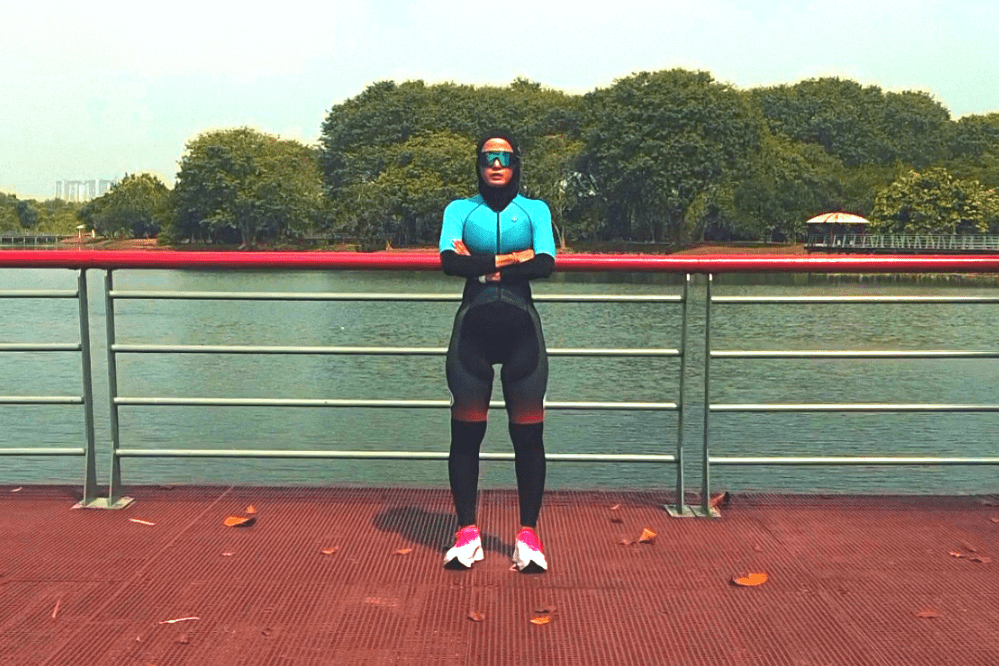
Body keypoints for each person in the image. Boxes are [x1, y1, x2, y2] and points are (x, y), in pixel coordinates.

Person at [438, 131, 556, 572]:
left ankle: (528, 537)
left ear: (516, 164)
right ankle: (467, 533)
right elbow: (450, 263)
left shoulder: (536, 210)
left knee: (528, 439)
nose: (496, 164)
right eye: (488, 156)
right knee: (466, 437)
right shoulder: (459, 210)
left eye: (504, 157)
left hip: (523, 335)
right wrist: (511, 259)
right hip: (472, 334)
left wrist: (481, 265)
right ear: (478, 163)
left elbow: (545, 263)